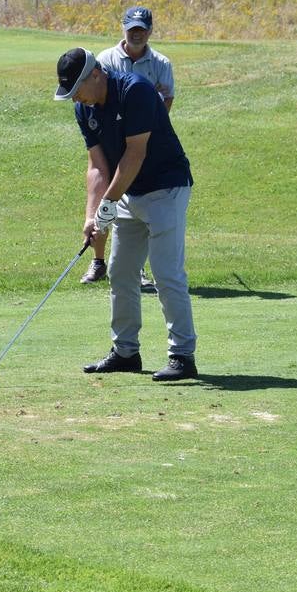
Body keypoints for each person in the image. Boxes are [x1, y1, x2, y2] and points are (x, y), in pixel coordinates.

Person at [54, 47, 198, 382]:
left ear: (96, 74)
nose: (77, 97)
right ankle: (125, 352)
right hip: (129, 193)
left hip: (166, 188)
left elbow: (135, 154)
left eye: (78, 89)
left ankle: (182, 355)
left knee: (166, 273)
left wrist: (109, 203)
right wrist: (93, 215)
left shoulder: (135, 90)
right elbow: (97, 166)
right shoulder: (83, 108)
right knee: (121, 271)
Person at [82, 5, 176, 292]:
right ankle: (98, 261)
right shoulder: (105, 59)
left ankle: (136, 268)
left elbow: (166, 101)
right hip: (111, 142)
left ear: (149, 31)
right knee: (102, 202)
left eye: (142, 29)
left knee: (136, 212)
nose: (137, 34)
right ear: (123, 29)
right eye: (132, 29)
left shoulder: (161, 63)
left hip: (141, 144)